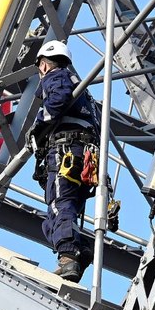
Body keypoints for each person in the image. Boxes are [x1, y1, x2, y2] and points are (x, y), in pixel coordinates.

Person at [26, 40, 100, 282]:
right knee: (58, 214)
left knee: (60, 204)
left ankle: (68, 257)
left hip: (66, 152)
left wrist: (38, 126)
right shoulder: (84, 94)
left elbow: (57, 100)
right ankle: (82, 248)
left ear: (44, 65)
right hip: (85, 156)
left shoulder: (56, 76)